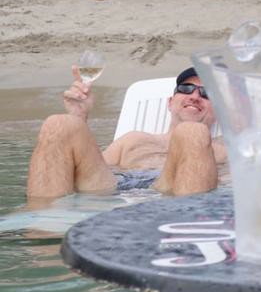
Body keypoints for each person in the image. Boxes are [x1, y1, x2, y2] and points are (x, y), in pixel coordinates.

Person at [26, 67, 224, 200]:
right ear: (170, 102)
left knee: (192, 132)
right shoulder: (133, 139)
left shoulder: (225, 150)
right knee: (59, 124)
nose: (195, 96)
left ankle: (191, 233)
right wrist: (79, 117)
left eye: (207, 93)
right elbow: (84, 168)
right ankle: (45, 224)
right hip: (114, 188)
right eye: (186, 88)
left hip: (172, 192)